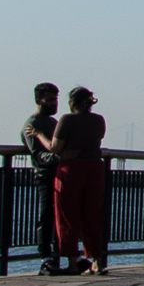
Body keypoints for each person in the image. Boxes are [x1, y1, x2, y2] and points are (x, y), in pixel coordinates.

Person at [48, 87, 111, 275]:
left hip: (71, 170)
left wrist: (38, 136)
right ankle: (98, 262)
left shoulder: (66, 119)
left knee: (67, 217)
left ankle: (73, 263)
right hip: (94, 168)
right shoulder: (99, 120)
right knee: (93, 215)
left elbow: (54, 147)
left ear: (71, 103)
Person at [20, 83, 64, 274]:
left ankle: (62, 254)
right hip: (45, 176)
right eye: (50, 100)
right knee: (46, 216)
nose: (54, 104)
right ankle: (45, 258)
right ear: (39, 101)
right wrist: (60, 157)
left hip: (61, 175)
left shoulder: (54, 123)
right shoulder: (32, 125)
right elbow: (38, 155)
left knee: (61, 216)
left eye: (56, 99)